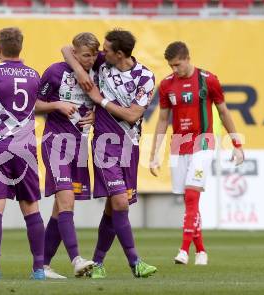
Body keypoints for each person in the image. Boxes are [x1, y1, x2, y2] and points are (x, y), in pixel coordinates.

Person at [63, 28, 157, 278]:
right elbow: (65, 50)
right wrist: (82, 74)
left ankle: (98, 262)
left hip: (130, 144)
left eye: (106, 49)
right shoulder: (103, 63)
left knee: (113, 208)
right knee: (120, 203)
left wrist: (99, 100)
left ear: (120, 54)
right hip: (105, 143)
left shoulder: (145, 76)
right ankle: (135, 262)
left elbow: (133, 115)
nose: (101, 53)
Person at [149, 41, 244, 265]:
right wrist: (155, 153)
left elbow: (223, 112)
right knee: (190, 201)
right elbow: (163, 119)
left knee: (192, 196)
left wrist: (237, 144)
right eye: (171, 65)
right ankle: (201, 250)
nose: (174, 69)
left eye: (177, 64)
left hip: (203, 142)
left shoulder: (208, 79)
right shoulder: (166, 85)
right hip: (178, 145)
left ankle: (183, 250)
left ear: (188, 58)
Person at [0, 27, 45, 280]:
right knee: (31, 208)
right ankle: (38, 269)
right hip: (26, 148)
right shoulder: (34, 75)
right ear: (21, 46)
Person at [35, 32, 98, 279]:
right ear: (74, 52)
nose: (90, 60)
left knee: (60, 209)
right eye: (85, 55)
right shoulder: (55, 72)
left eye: (93, 55)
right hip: (56, 143)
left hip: (80, 146)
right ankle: (76, 259)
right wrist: (57, 105)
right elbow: (34, 105)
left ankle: (42, 265)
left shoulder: (98, 73)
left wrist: (95, 116)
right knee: (67, 200)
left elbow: (99, 104)